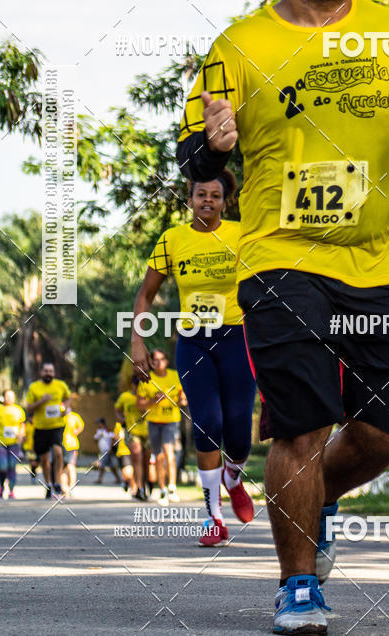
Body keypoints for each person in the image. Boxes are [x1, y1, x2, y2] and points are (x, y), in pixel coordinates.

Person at [177, 0, 389, 632]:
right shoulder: (238, 46)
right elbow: (196, 159)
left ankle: (315, 499)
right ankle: (298, 585)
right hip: (280, 257)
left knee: (387, 428)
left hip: (380, 260)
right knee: (300, 424)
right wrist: (213, 153)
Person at [131, 172, 257, 545]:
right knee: (207, 422)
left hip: (237, 338)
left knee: (238, 433)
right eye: (200, 194)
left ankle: (233, 478)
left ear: (224, 202)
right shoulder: (173, 239)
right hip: (194, 341)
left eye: (215, 196)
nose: (207, 200)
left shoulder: (242, 233)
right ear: (190, 199)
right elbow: (145, 295)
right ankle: (213, 518)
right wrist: (137, 341)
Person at [135, 350, 184, 505]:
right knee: (159, 456)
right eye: (155, 360)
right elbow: (139, 404)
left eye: (161, 359)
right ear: (150, 362)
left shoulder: (175, 376)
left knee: (169, 451)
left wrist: (183, 399)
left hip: (171, 420)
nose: (158, 362)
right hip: (154, 421)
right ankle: (162, 490)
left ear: (167, 360)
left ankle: (172, 487)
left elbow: (182, 394)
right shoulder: (146, 379)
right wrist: (153, 401)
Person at [26, 362, 71, 499]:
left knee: (58, 452)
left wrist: (66, 409)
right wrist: (42, 401)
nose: (48, 373)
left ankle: (57, 481)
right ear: (41, 372)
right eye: (46, 371)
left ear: (54, 373)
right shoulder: (34, 387)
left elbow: (68, 398)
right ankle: (49, 484)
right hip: (40, 427)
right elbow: (28, 408)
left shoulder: (60, 385)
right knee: (44, 459)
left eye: (51, 371)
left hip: (57, 425)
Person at [115, 376, 149, 500]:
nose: (138, 386)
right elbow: (117, 409)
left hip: (147, 432)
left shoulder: (148, 396)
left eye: (140, 384)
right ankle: (139, 488)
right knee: (137, 456)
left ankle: (144, 486)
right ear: (132, 384)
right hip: (131, 431)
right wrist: (120, 418)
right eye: (135, 383)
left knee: (146, 461)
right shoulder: (125, 397)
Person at [0, 389, 26, 500]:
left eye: (11, 396)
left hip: (14, 444)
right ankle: (1, 487)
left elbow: (22, 426)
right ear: (3, 397)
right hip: (0, 444)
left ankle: (11, 490)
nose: (9, 398)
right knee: (3, 466)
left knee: (12, 467)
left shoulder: (18, 410)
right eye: (7, 396)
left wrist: (20, 438)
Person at [62, 406, 85, 496]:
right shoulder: (61, 416)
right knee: (62, 468)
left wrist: (76, 431)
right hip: (61, 444)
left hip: (71, 444)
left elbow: (81, 426)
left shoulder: (74, 417)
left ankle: (71, 487)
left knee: (70, 466)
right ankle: (63, 488)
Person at [94, 418, 121, 484]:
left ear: (102, 423)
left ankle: (99, 479)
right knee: (111, 466)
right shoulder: (99, 431)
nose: (98, 424)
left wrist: (111, 448)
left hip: (107, 450)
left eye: (99, 423)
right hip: (103, 450)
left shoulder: (108, 430)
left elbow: (114, 438)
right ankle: (118, 479)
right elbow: (95, 439)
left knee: (102, 465)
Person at [113, 420, 134, 493]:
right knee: (126, 472)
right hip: (123, 450)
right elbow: (115, 438)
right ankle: (127, 482)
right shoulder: (119, 424)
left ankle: (135, 488)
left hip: (135, 450)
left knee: (132, 471)